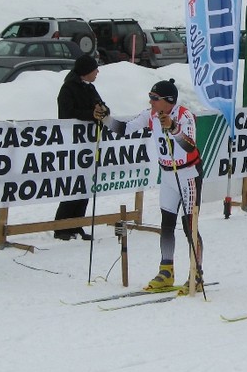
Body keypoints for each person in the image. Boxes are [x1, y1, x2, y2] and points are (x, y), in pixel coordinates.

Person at [102, 79, 203, 294]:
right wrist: (105, 119)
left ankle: (196, 273)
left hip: (187, 175)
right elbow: (125, 129)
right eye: (150, 97)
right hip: (167, 175)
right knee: (167, 224)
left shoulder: (184, 116)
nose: (151, 102)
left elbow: (189, 145)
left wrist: (173, 128)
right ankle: (166, 270)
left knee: (190, 226)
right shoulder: (150, 115)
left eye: (154, 98)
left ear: (169, 100)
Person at [53, 54, 108, 240]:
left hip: (88, 143)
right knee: (73, 185)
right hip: (73, 143)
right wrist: (91, 114)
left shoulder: (90, 87)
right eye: (94, 69)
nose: (97, 72)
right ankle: (62, 227)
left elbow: (101, 106)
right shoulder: (68, 89)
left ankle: (77, 224)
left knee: (85, 184)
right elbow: (67, 113)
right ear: (86, 71)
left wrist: (103, 111)